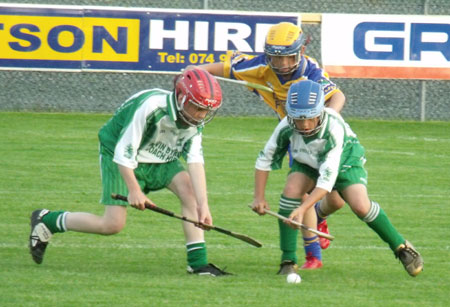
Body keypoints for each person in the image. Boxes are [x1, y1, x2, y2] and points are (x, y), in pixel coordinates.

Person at [29, 68, 231, 276]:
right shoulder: (150, 107)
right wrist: (134, 190)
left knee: (190, 192)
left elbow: (195, 161)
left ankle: (198, 264)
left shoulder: (194, 122)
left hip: (160, 154)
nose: (202, 115)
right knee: (112, 224)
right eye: (197, 108)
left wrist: (203, 206)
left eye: (207, 111)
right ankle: (48, 220)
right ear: (181, 97)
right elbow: (123, 151)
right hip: (120, 154)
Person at [190, 21, 345, 272]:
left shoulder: (311, 72)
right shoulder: (259, 65)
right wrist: (193, 73)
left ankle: (319, 216)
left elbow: (338, 96)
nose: (282, 65)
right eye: (276, 58)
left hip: (323, 136)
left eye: (288, 58)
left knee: (337, 200)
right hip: (295, 138)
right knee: (300, 193)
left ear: (301, 52)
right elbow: (217, 69)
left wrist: (326, 120)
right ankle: (312, 255)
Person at [251, 79, 424, 277]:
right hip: (307, 160)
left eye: (310, 117)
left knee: (360, 205)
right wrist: (259, 197)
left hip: (344, 159)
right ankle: (288, 260)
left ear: (320, 111)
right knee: (291, 190)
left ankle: (401, 247)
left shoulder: (333, 129)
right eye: (299, 118)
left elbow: (326, 181)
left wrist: (302, 209)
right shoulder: (286, 126)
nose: (305, 125)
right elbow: (265, 159)